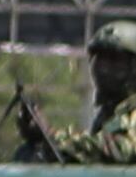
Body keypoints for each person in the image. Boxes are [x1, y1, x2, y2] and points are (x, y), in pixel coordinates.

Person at [49, 23, 136, 162]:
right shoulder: (109, 114)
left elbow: (121, 150)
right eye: (99, 60)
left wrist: (55, 138)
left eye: (115, 61)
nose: (104, 69)